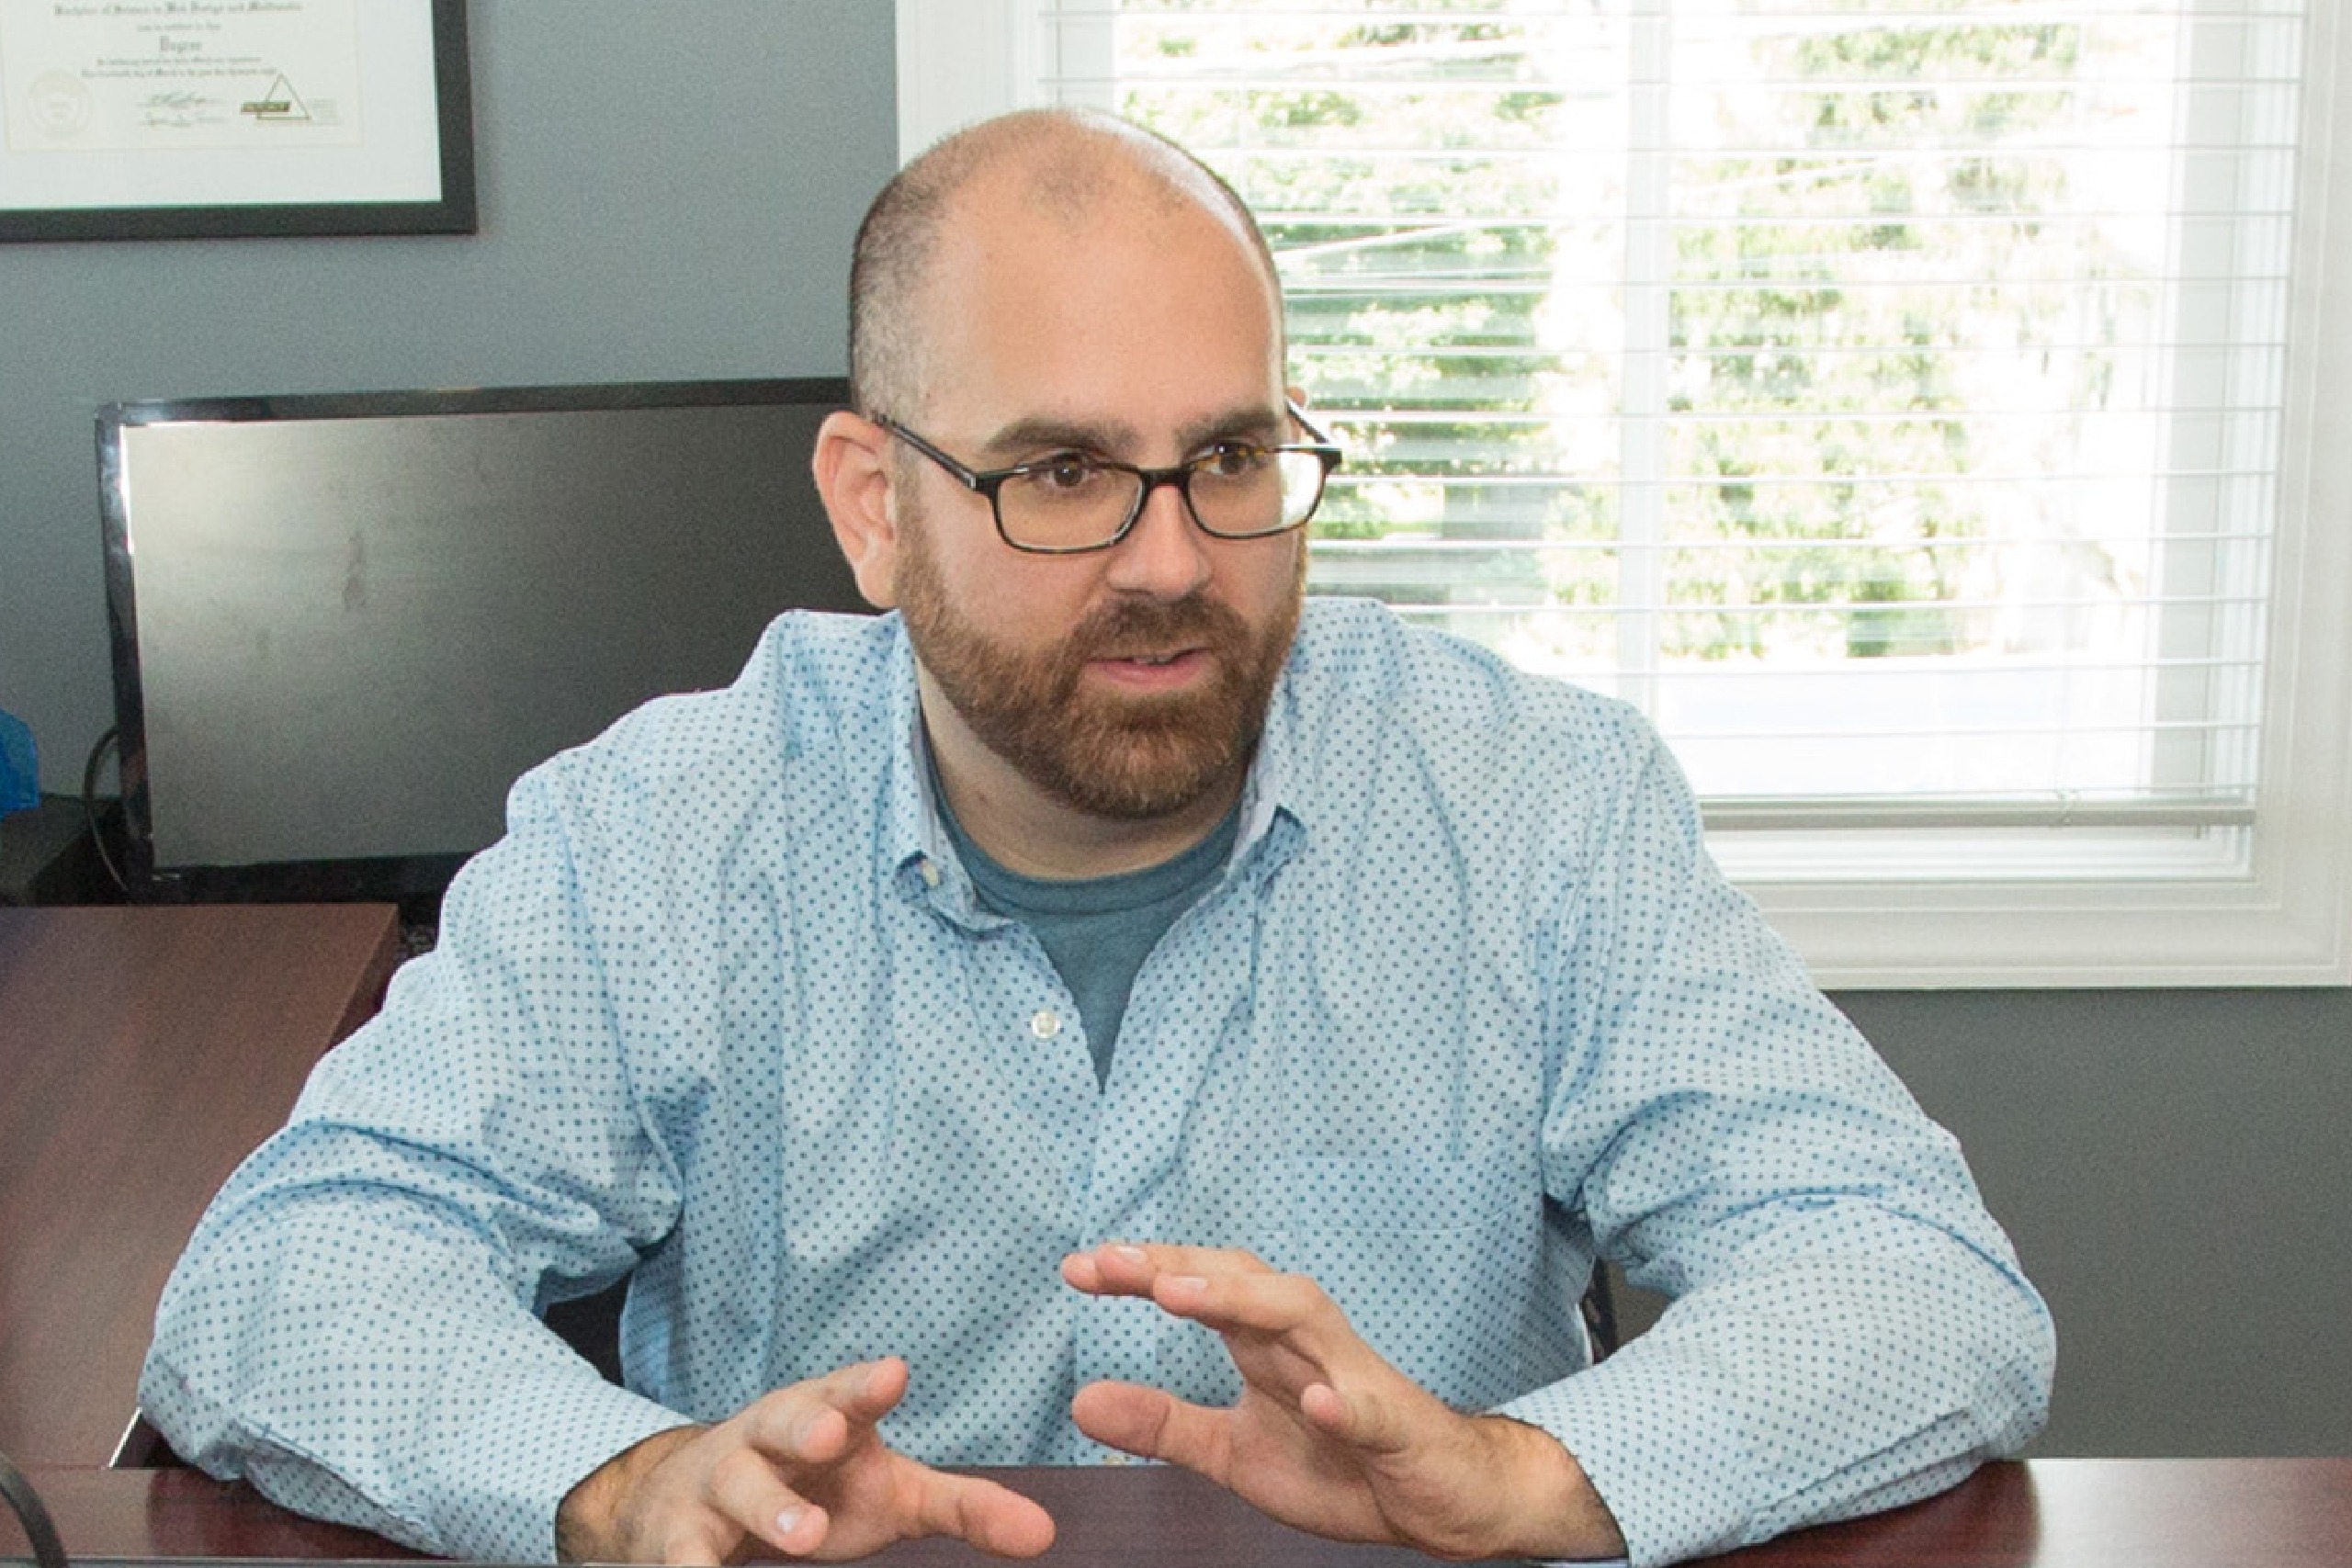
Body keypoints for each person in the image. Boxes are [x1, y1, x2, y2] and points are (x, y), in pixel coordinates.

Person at [141, 107, 2052, 1568]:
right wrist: (618, 1482)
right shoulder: (664, 831)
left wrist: (1534, 1475)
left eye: (1229, 459)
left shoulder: (1533, 809)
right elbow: (280, 1281)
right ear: (872, 505)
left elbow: (1916, 1279)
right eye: (1061, 471)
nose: (1169, 560)